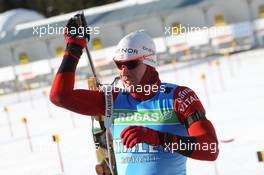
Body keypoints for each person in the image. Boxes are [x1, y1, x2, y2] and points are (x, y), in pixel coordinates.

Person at [50, 15, 219, 175]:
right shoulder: (113, 100)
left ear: (149, 63)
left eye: (131, 64)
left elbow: (210, 149)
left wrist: (158, 138)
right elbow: (60, 96)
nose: (124, 71)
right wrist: (74, 48)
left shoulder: (178, 97)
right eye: (119, 64)